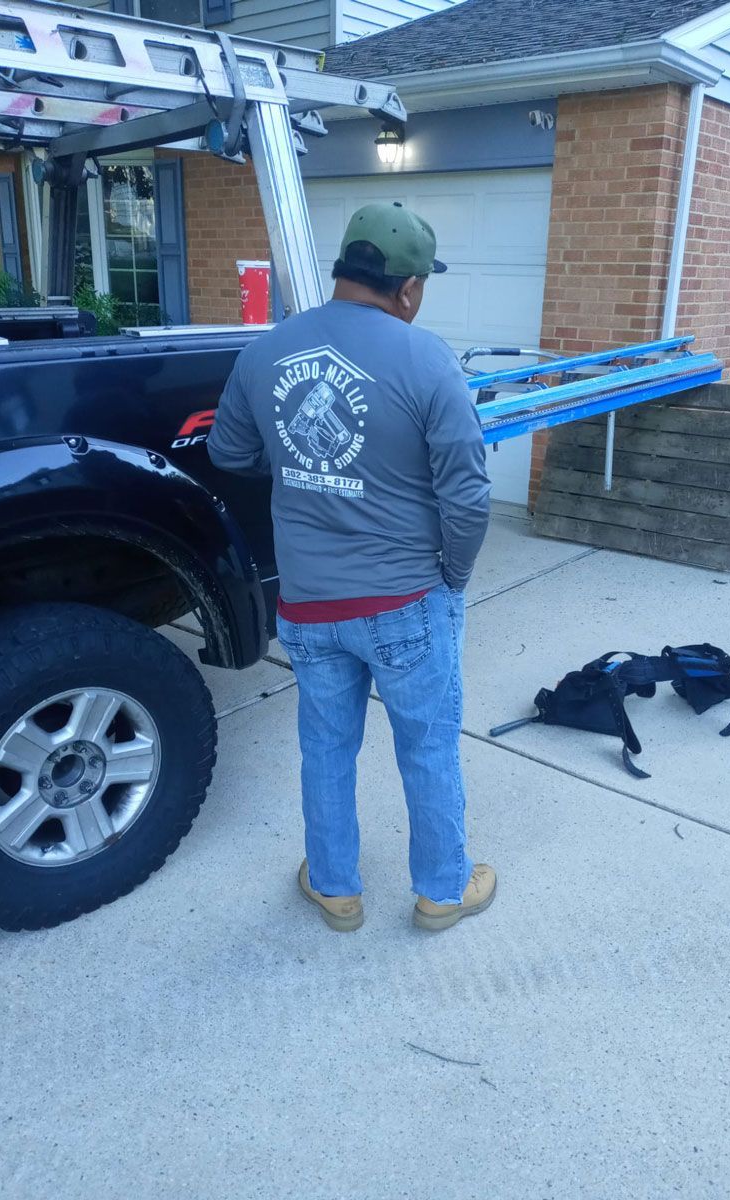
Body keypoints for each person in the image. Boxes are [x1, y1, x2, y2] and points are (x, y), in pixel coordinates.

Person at [208, 202, 495, 933]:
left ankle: (335, 888)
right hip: (405, 601)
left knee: (325, 747)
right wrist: (453, 578)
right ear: (407, 289)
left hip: (308, 606)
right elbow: (467, 495)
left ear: (345, 269)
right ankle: (442, 890)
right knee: (428, 748)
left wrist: (300, 469)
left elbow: (228, 455)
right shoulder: (428, 358)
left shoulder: (266, 350)